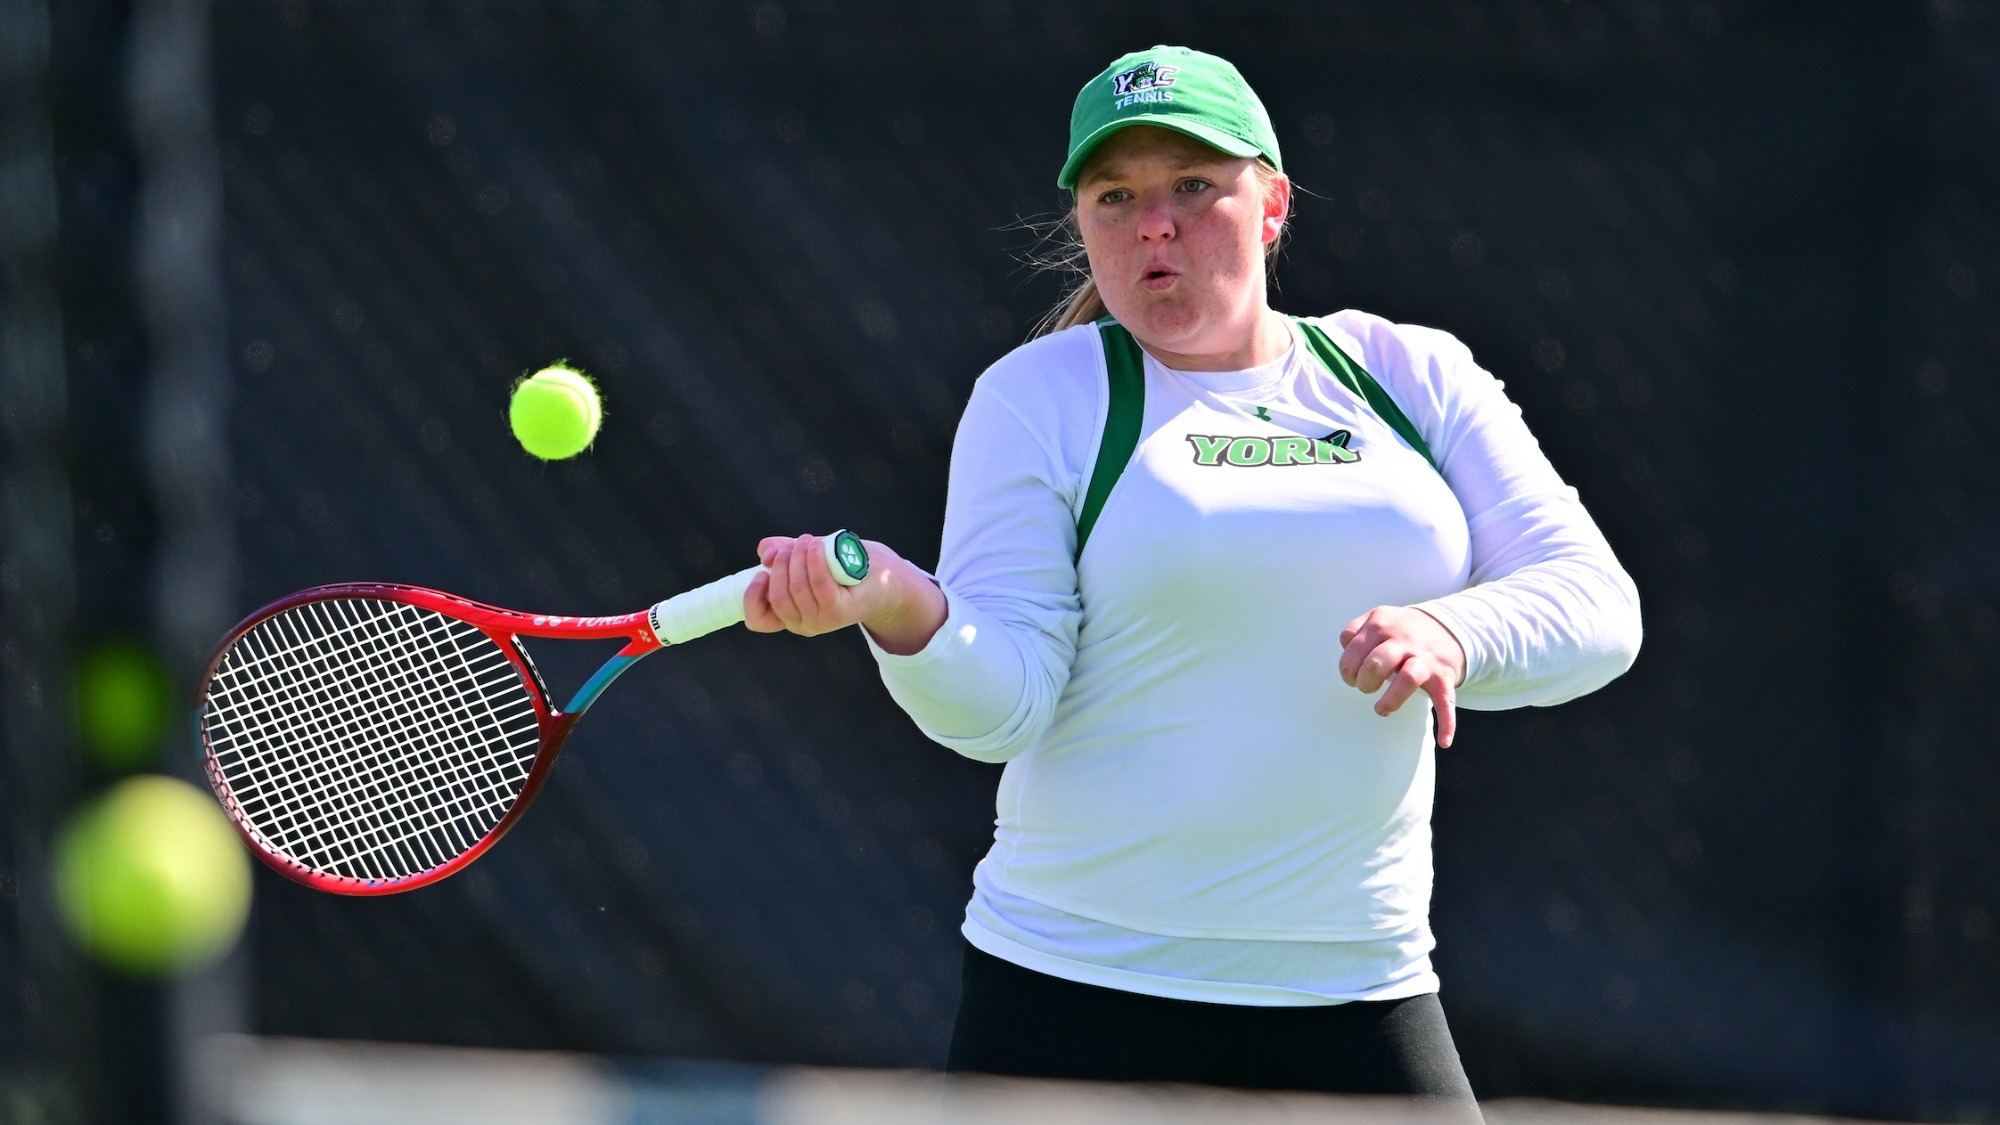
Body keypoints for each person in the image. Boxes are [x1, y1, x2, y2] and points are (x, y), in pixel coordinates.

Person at [743, 45, 1641, 1110]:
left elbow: (1598, 609)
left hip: (1355, 987)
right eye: (1113, 196)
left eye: (1190, 188)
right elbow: (1000, 708)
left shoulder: (1413, 374)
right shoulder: (1039, 396)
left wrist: (1454, 634)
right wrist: (901, 608)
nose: (1151, 225)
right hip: (1071, 995)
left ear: (1271, 206)